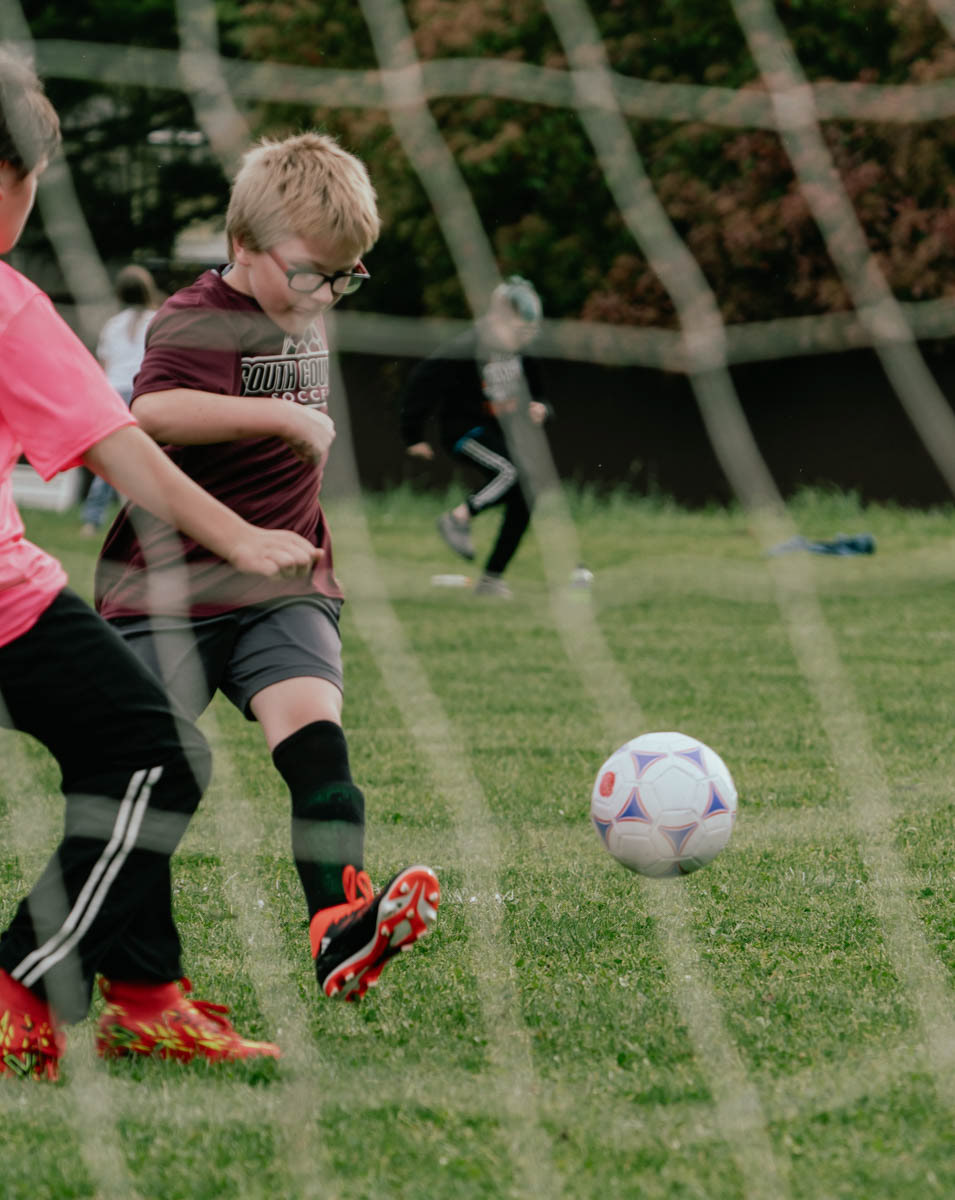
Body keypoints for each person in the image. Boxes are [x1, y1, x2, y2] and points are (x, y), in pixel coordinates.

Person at [0, 47, 323, 1080]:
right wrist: (242, 539)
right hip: (4, 603)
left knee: (127, 748)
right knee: (154, 758)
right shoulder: (7, 304)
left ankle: (147, 996)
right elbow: (119, 444)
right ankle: (23, 989)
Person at [94, 132, 440, 1006]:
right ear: (242, 245)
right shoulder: (197, 314)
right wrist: (281, 417)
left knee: (315, 740)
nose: (324, 295)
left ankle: (339, 924)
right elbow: (153, 411)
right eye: (312, 275)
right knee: (144, 778)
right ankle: (134, 974)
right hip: (166, 590)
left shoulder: (303, 295)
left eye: (345, 278)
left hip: (284, 581)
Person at [400, 276, 550, 598]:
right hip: (464, 432)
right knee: (511, 471)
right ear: (497, 319)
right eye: (518, 331)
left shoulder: (523, 353)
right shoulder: (466, 348)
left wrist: (542, 409)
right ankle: (458, 518)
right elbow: (422, 383)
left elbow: (539, 393)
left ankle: (492, 580)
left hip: (496, 432)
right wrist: (413, 435)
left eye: (529, 333)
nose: (523, 339)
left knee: (528, 493)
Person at [79, 263, 162, 536]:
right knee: (149, 460)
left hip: (113, 394)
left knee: (110, 461)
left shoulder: (112, 325)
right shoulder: (158, 320)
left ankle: (91, 521)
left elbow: (104, 366)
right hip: (143, 394)